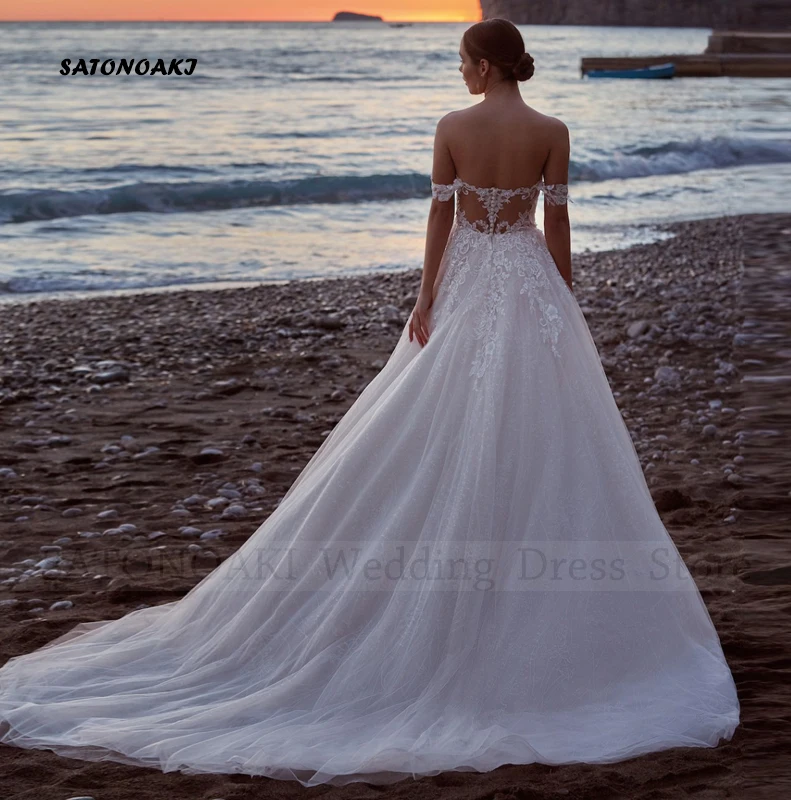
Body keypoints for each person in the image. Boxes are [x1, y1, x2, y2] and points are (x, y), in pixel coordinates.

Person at [0, 18, 739, 788]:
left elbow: (442, 216)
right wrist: (565, 302)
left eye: (462, 61)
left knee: (436, 419)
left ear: (484, 65)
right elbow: (555, 223)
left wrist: (427, 296)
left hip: (469, 283)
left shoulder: (453, 126)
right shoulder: (552, 127)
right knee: (540, 431)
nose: (460, 74)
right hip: (526, 287)